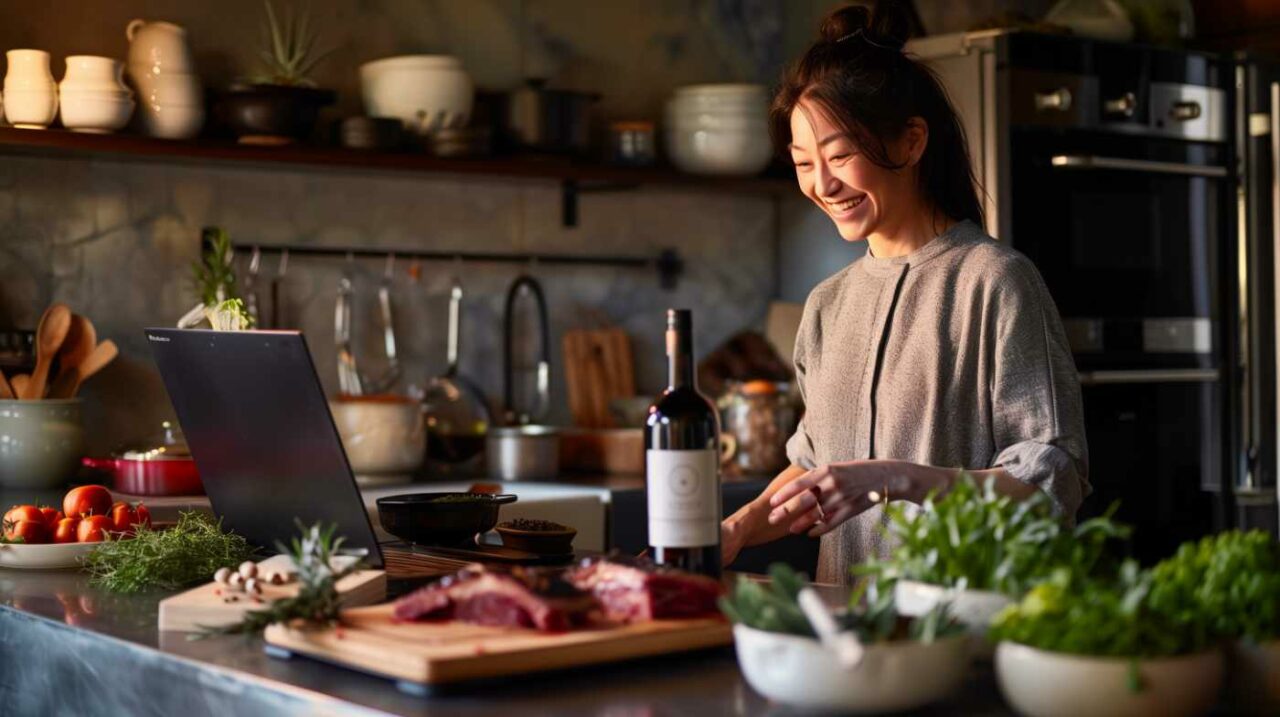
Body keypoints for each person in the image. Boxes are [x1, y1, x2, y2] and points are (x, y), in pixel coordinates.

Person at [720, 2, 1090, 584]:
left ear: (913, 141)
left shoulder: (994, 281)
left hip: (959, 636)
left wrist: (900, 479)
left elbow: (1048, 484)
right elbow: (814, 470)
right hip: (847, 644)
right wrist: (734, 529)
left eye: (840, 155)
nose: (822, 184)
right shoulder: (826, 305)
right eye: (803, 163)